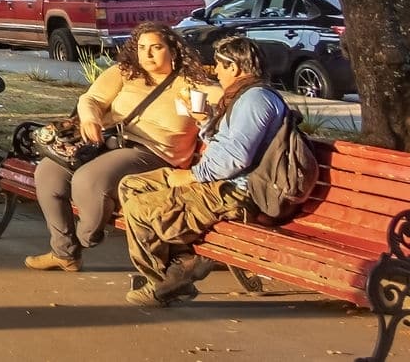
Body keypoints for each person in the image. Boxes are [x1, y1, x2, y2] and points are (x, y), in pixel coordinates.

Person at [25, 22, 217, 273]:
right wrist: (91, 118)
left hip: (153, 153)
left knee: (88, 180)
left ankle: (86, 237)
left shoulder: (192, 83)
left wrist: (215, 106)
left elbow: (223, 98)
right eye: (142, 47)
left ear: (174, 50)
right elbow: (91, 99)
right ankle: (64, 253)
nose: (147, 54)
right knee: (48, 173)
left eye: (156, 47)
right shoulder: (125, 72)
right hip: (109, 142)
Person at [116, 36, 289, 307]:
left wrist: (193, 175)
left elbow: (235, 157)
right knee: (131, 186)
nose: (216, 71)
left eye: (220, 65)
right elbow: (226, 144)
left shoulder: (256, 100)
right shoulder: (243, 96)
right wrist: (205, 122)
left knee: (140, 209)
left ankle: (165, 282)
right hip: (217, 182)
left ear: (234, 67)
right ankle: (183, 263)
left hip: (234, 192)